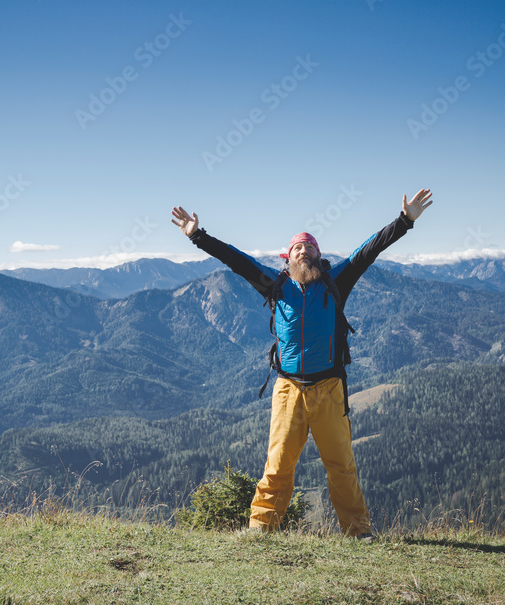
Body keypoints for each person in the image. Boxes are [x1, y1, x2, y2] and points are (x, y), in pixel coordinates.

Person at [171, 189, 433, 537]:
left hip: (329, 389)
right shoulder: (275, 286)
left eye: (310, 248)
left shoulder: (336, 281)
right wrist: (197, 236)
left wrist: (404, 221)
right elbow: (236, 260)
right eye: (298, 248)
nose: (304, 251)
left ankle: (358, 532)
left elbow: (368, 251)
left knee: (341, 467)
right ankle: (261, 528)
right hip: (288, 389)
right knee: (278, 466)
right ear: (288, 258)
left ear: (318, 256)